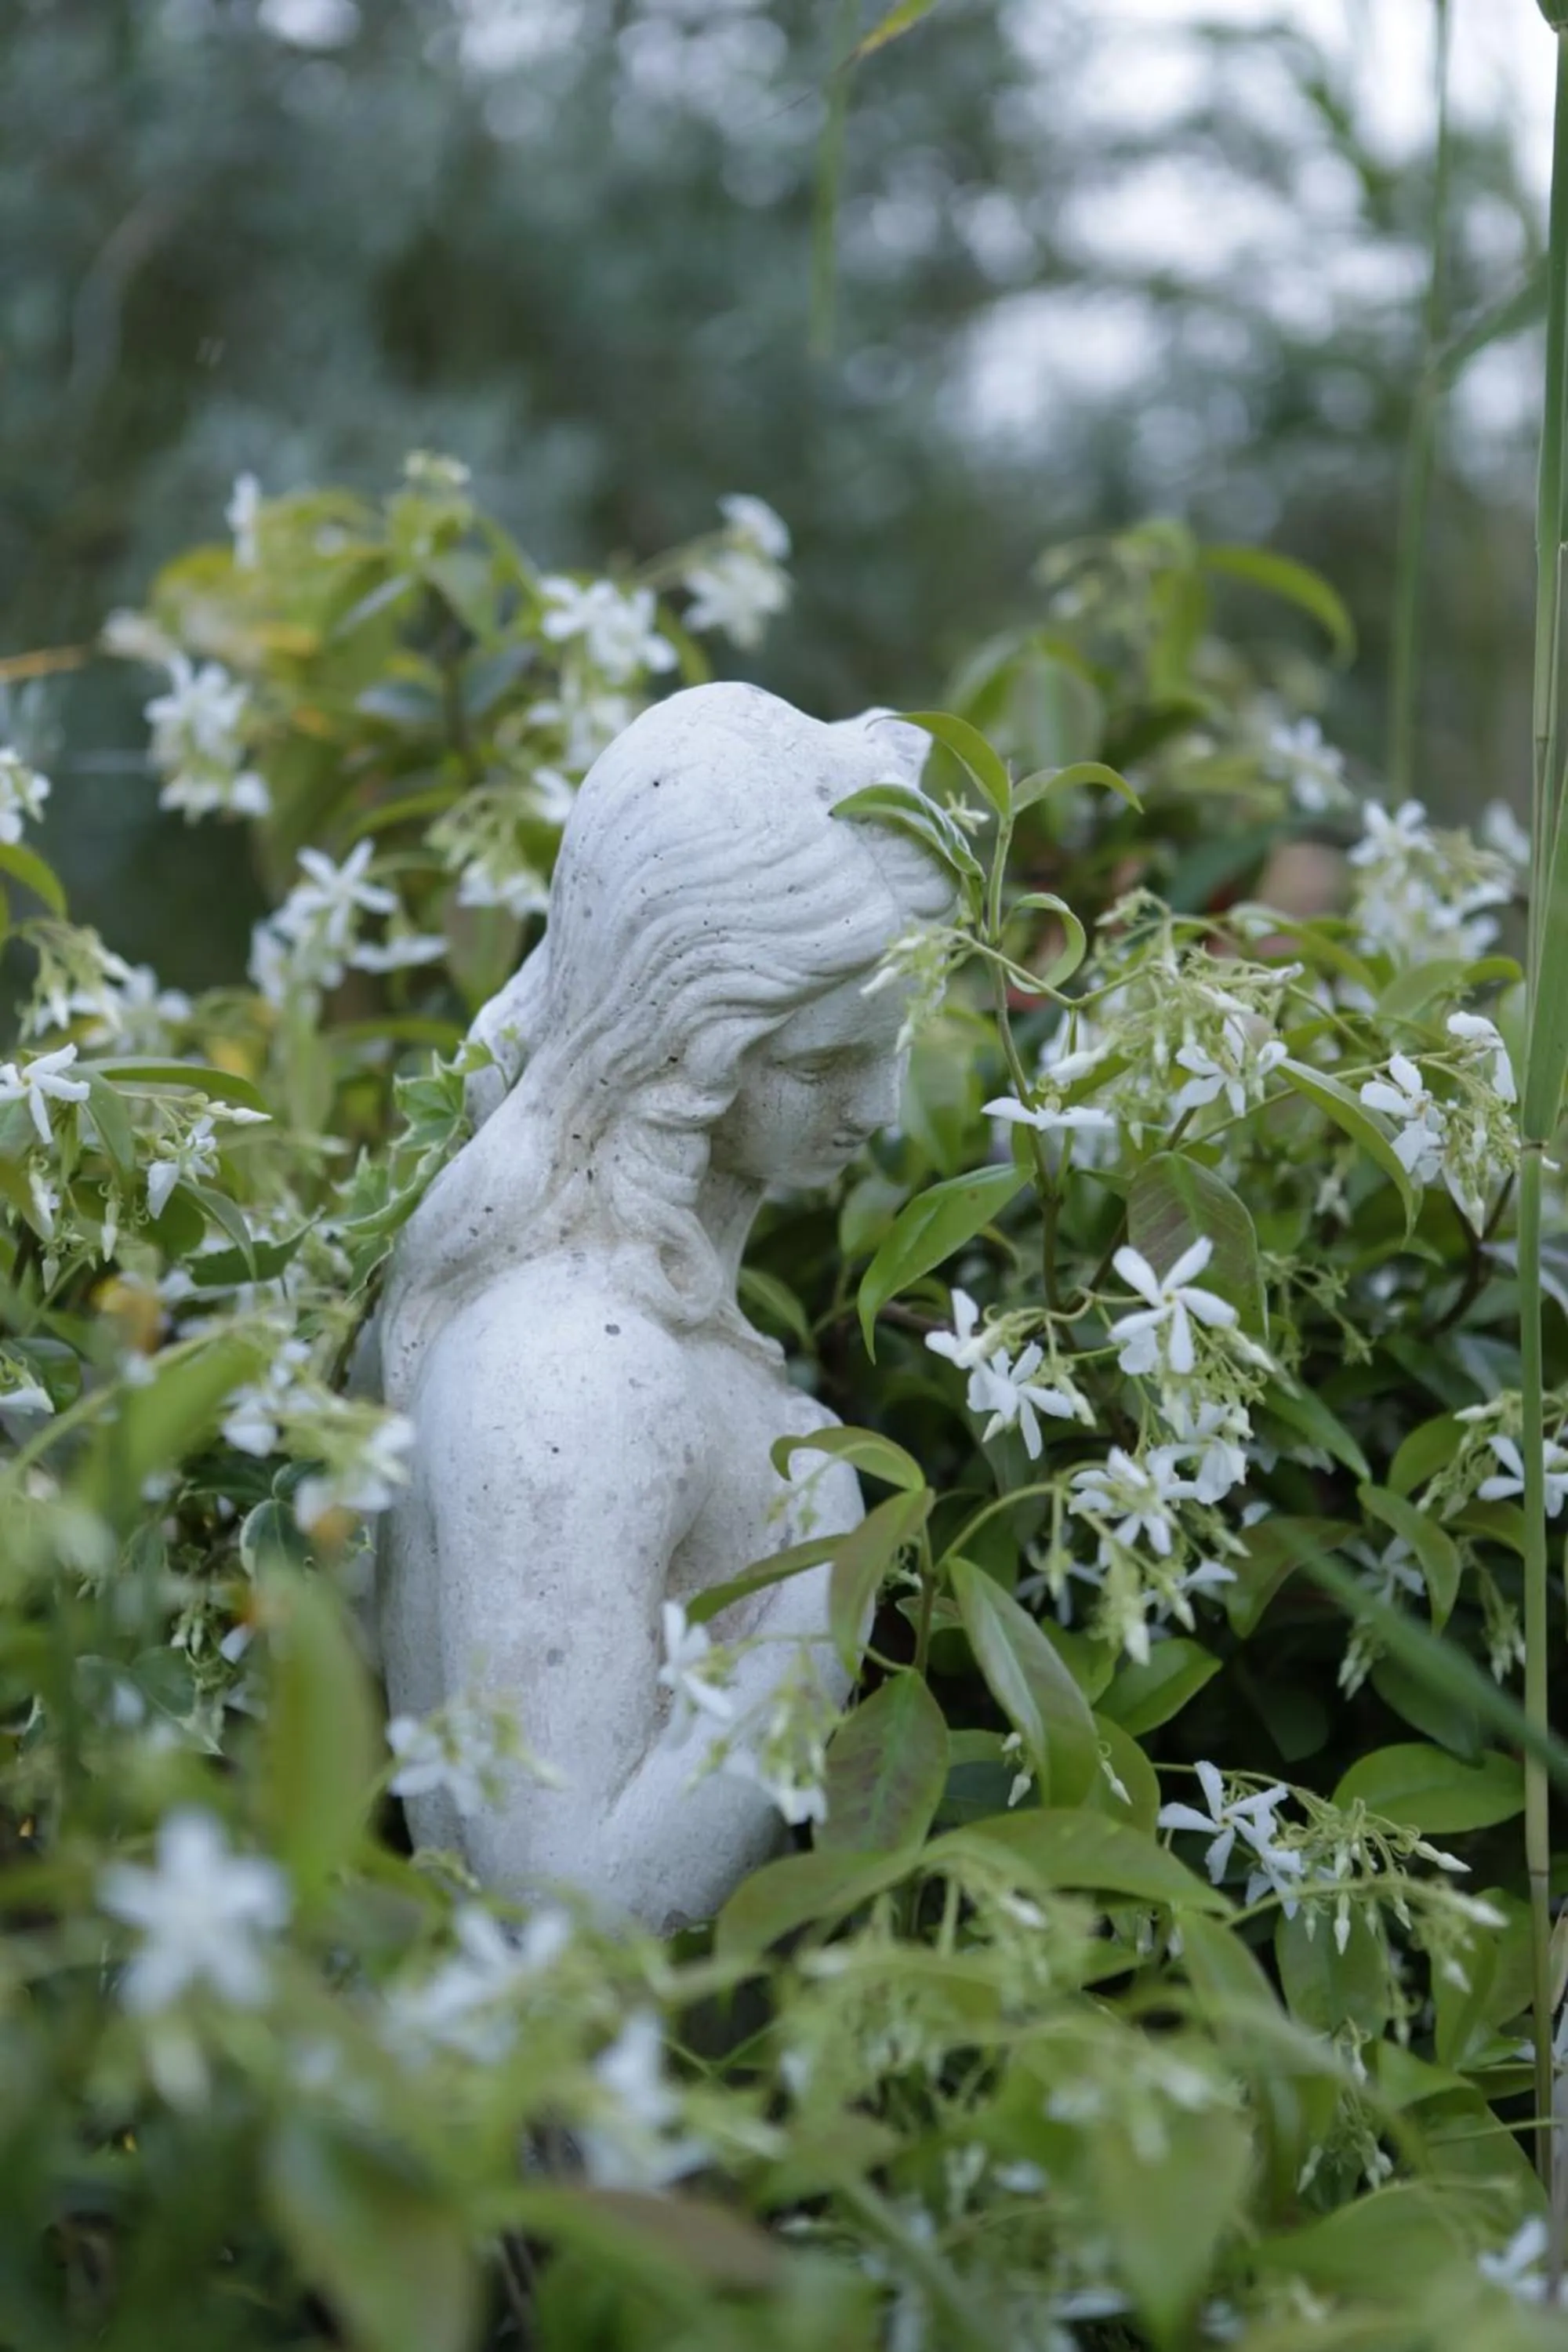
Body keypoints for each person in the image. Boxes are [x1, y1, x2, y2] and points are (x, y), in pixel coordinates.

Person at [375, 682, 950, 1927]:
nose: (884, 1109)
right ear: (680, 1048)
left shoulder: (663, 1342)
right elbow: (569, 1915)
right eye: (824, 1063)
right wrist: (820, 1597)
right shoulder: (575, 1367)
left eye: (892, 1046)